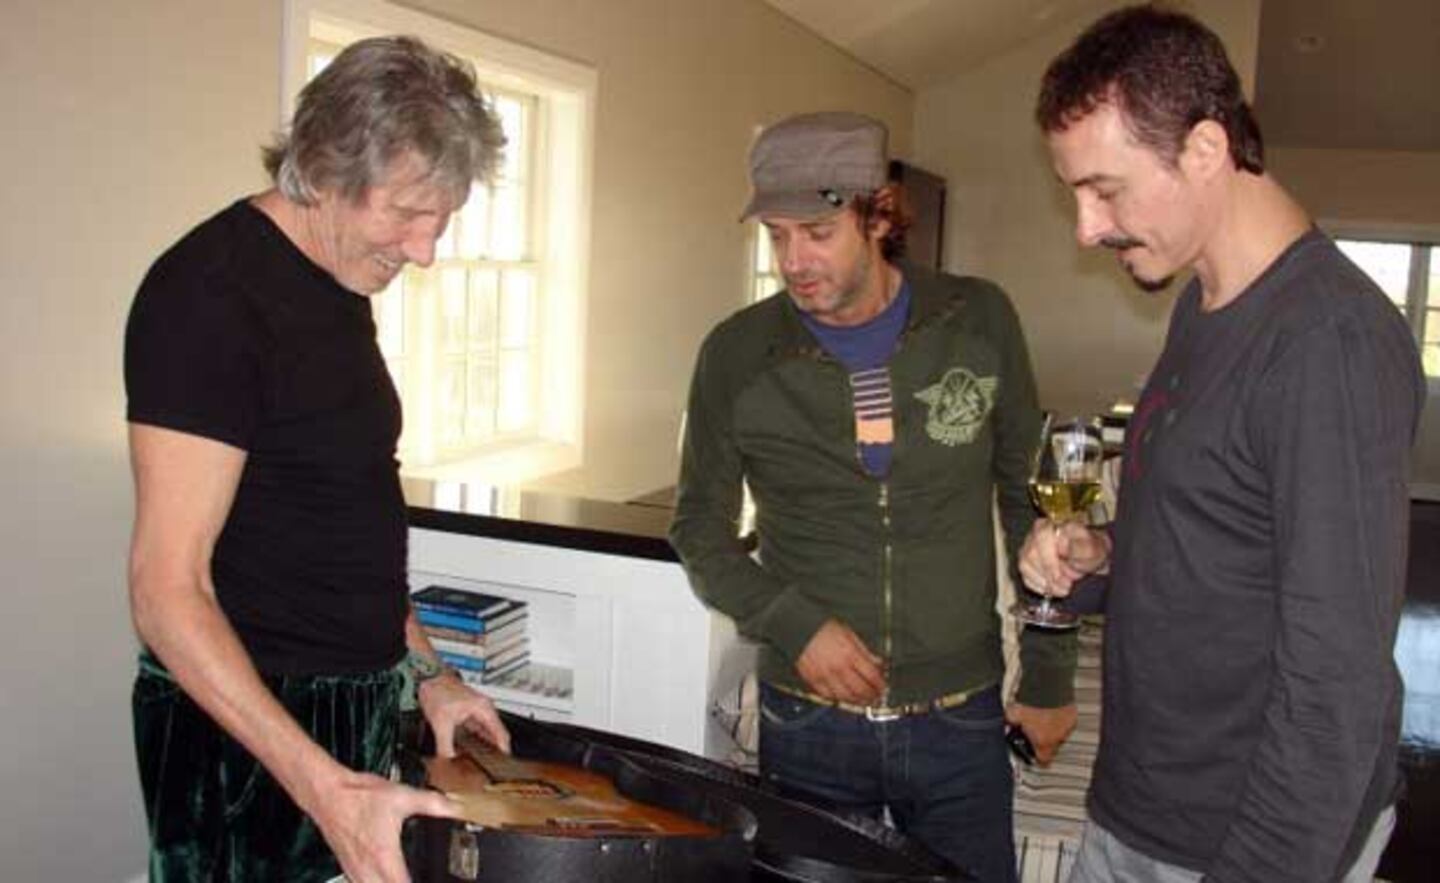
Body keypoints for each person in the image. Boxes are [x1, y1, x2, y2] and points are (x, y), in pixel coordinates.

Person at [1021, 6, 1426, 882]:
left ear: (1204, 150)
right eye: (1074, 196)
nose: (1086, 228)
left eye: (1105, 189)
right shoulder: (1203, 306)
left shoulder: (1327, 340)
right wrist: (1096, 557)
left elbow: (1335, 689)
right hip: (1137, 805)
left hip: (1233, 841)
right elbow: (1215, 538)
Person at [124, 35, 511, 883]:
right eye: (405, 216)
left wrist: (430, 675)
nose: (423, 251)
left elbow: (344, 512)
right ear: (322, 168)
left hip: (356, 709)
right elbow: (164, 591)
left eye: (438, 221)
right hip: (249, 735)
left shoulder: (339, 280)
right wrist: (324, 787)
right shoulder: (207, 296)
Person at [669, 111, 1078, 882]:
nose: (795, 260)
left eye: (817, 231)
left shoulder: (978, 320)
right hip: (807, 717)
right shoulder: (736, 353)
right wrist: (793, 623)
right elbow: (699, 528)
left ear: (879, 214)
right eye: (778, 236)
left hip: (961, 713)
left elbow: (1036, 506)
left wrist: (1051, 676)